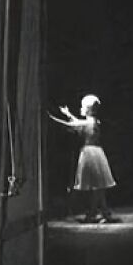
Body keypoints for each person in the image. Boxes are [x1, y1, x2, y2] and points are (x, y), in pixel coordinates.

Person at [49, 94, 117, 223]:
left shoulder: (88, 122)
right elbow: (78, 123)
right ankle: (103, 212)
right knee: (98, 186)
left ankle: (94, 212)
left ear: (89, 109)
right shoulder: (93, 121)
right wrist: (68, 114)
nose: (81, 109)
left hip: (90, 154)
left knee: (96, 186)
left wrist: (52, 119)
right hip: (96, 153)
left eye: (83, 107)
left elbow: (71, 125)